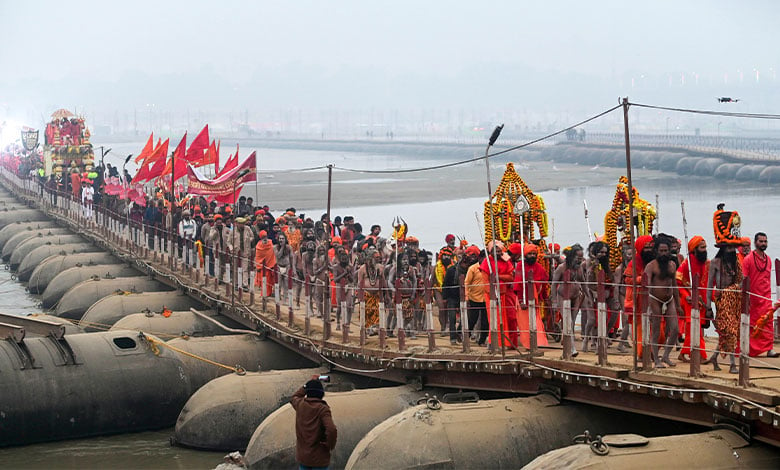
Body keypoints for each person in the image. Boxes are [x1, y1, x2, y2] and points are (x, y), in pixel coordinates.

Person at [644, 236, 682, 368]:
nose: (664, 253)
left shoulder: (672, 265)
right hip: (655, 300)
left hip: (670, 300)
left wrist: (678, 304)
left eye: (666, 250)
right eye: (661, 250)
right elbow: (646, 286)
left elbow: (675, 285)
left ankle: (665, 356)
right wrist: (648, 306)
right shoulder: (650, 266)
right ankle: (657, 360)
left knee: (675, 329)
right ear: (656, 251)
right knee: (655, 331)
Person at [706, 243, 742, 373]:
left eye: (733, 248)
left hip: (734, 301)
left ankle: (715, 357)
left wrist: (734, 290)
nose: (732, 250)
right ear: (723, 249)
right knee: (729, 330)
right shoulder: (715, 263)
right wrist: (708, 307)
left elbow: (740, 280)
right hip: (721, 301)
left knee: (728, 331)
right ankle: (732, 365)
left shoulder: (736, 262)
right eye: (729, 248)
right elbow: (710, 285)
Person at [742, 232, 778, 357]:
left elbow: (767, 278)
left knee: (768, 322)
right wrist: (746, 298)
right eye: (761, 241)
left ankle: (769, 349)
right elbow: (744, 279)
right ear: (755, 242)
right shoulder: (748, 260)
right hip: (752, 299)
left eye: (765, 241)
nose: (763, 244)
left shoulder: (768, 259)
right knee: (753, 325)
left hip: (765, 297)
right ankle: (751, 350)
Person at [676, 235, 710, 363]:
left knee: (694, 329)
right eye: (702, 247)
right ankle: (701, 355)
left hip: (701, 302)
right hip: (689, 300)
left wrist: (709, 301)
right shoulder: (687, 264)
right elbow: (678, 283)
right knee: (693, 327)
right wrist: (687, 296)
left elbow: (706, 284)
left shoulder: (706, 263)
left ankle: (684, 353)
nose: (705, 250)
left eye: (705, 247)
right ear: (694, 249)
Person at [291, 377, 337, 470]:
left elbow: (294, 397)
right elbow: (331, 429)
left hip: (303, 457)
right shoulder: (322, 409)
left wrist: (306, 385)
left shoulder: (300, 404)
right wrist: (329, 445)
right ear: (321, 393)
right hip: (319, 459)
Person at [511, 243, 549, 350]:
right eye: (530, 254)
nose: (532, 256)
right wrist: (521, 300)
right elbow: (518, 284)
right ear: (525, 255)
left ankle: (539, 343)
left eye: (534, 254)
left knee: (536, 321)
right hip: (522, 298)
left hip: (534, 299)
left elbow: (544, 282)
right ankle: (528, 345)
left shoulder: (539, 267)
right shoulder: (520, 266)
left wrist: (545, 297)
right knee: (524, 323)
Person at [551, 244, 586, 356]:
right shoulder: (562, 267)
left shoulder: (579, 268)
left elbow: (584, 283)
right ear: (571, 256)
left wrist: (588, 296)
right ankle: (572, 348)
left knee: (572, 322)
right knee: (568, 321)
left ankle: (567, 343)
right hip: (562, 297)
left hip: (576, 297)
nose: (580, 261)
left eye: (581, 258)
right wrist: (554, 301)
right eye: (578, 258)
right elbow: (553, 284)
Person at [624, 235, 654, 358]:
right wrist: (642, 279)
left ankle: (652, 349)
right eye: (646, 247)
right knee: (640, 326)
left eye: (650, 247)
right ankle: (642, 353)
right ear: (640, 248)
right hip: (638, 299)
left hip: (654, 297)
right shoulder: (633, 263)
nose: (649, 250)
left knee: (657, 326)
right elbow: (628, 280)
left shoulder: (655, 261)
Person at [464, 246, 488, 345]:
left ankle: (482, 340)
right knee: (472, 319)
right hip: (474, 298)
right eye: (484, 258)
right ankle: (466, 337)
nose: (485, 260)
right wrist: (467, 296)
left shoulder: (490, 268)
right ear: (480, 258)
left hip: (486, 298)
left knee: (485, 321)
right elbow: (466, 283)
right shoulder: (473, 268)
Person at [254, 230, 277, 296]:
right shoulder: (258, 246)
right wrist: (258, 266)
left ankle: (271, 293)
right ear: (261, 238)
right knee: (265, 281)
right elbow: (258, 257)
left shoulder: (270, 243)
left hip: (271, 264)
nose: (265, 238)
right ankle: (265, 294)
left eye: (266, 236)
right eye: (263, 237)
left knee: (271, 280)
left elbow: (273, 253)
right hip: (262, 266)